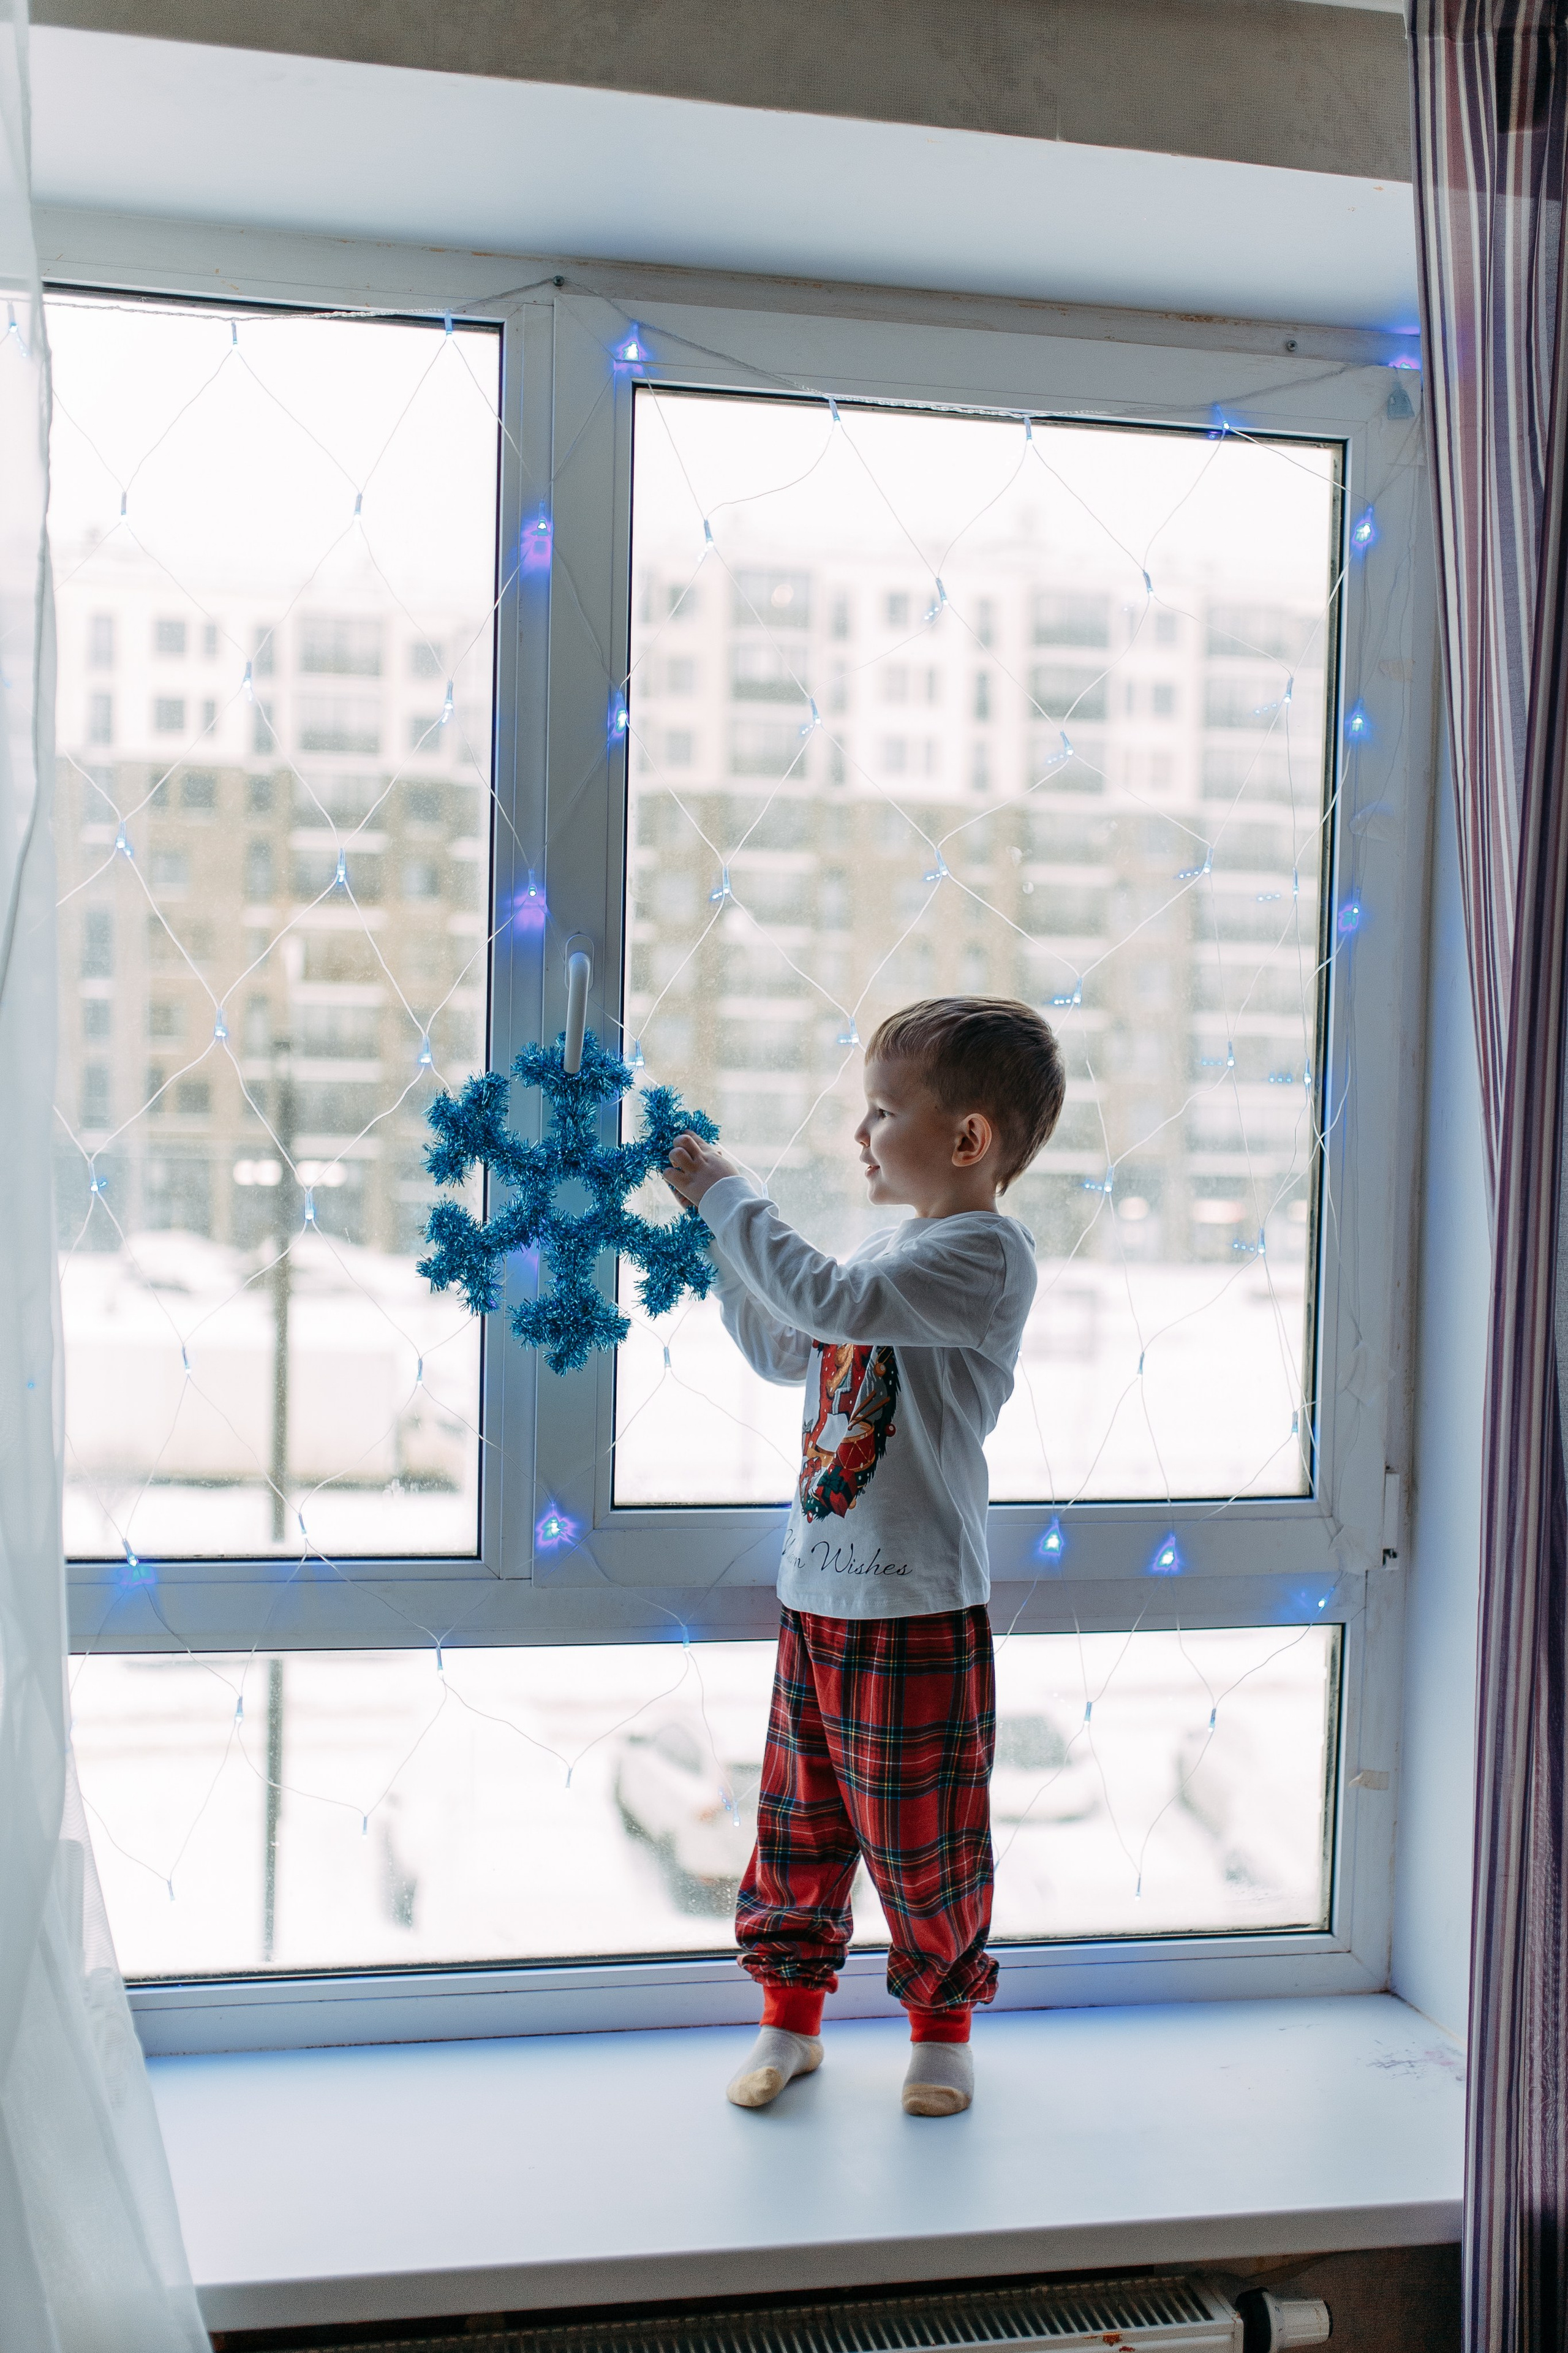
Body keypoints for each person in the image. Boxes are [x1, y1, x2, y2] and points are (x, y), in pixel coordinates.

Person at [664, 996, 1065, 2118]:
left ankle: (942, 2030)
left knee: (924, 1839)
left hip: (917, 1605)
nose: (862, 1133)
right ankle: (790, 2019)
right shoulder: (890, 1251)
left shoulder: (985, 1255)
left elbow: (829, 1300)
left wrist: (733, 1197)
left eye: (884, 1111)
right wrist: (715, 1242)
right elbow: (785, 1341)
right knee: (800, 1826)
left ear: (969, 1138)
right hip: (820, 1594)